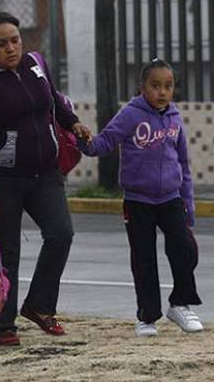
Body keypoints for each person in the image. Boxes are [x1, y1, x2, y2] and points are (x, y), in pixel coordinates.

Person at [0, 11, 92, 346]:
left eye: (15, 40)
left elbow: (53, 102)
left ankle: (39, 306)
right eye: (1, 43)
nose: (11, 48)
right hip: (2, 179)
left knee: (61, 234)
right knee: (7, 252)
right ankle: (2, 325)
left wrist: (73, 122)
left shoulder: (34, 65)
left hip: (45, 173)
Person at [78, 58, 203, 337]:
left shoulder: (174, 117)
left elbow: (183, 163)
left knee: (184, 249)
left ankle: (180, 304)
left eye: (168, 86)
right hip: (138, 201)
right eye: (155, 86)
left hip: (171, 198)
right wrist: (83, 140)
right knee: (144, 258)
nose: (162, 92)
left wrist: (189, 205)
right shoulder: (131, 115)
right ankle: (147, 316)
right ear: (142, 87)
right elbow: (104, 142)